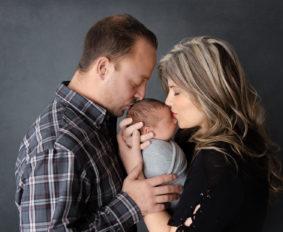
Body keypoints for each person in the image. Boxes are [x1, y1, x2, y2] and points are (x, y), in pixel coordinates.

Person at [14, 14, 182, 232]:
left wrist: (131, 161)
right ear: (103, 68)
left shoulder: (100, 125)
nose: (142, 95)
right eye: (136, 82)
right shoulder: (58, 147)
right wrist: (131, 204)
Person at [118, 36, 283, 232]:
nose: (168, 101)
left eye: (176, 92)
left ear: (206, 91)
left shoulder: (219, 158)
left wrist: (136, 176)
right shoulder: (204, 139)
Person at [126, 98, 187, 212]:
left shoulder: (148, 148)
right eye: (170, 119)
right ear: (149, 131)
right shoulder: (158, 152)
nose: (175, 121)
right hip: (181, 206)